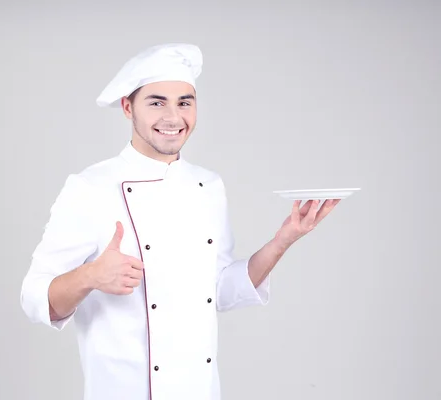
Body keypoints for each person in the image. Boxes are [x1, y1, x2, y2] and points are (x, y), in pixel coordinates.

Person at [20, 43, 339, 400]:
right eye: (157, 102)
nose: (173, 117)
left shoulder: (209, 186)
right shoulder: (90, 187)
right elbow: (35, 299)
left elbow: (218, 290)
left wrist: (284, 239)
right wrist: (90, 275)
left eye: (184, 102)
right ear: (128, 108)